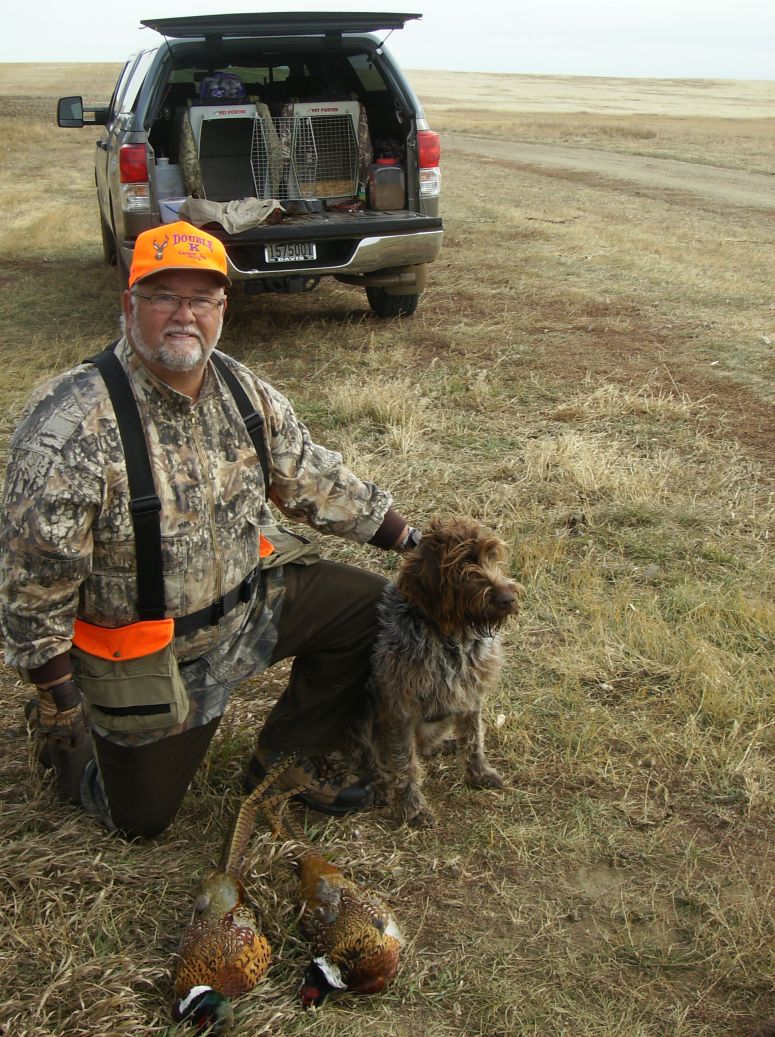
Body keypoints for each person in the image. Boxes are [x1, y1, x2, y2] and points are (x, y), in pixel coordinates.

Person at [0, 221, 421, 839]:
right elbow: (33, 587)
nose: (184, 315)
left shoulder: (243, 390)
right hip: (147, 658)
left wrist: (412, 541)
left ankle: (288, 758)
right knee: (138, 820)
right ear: (130, 303)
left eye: (202, 299)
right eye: (164, 295)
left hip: (248, 608)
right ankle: (68, 746)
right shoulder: (70, 426)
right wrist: (59, 697)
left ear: (223, 307)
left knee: (374, 610)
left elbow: (313, 477)